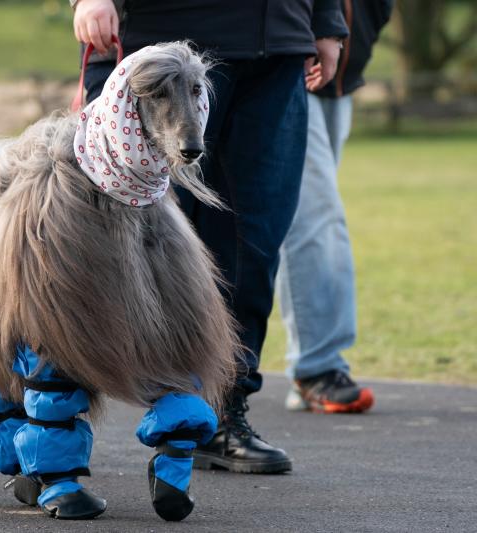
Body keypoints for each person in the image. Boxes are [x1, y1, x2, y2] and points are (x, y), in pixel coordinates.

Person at [72, 0, 347, 473]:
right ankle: (52, 419)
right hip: (157, 46)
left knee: (253, 242)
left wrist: (325, 21)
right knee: (111, 244)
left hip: (276, 45)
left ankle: (220, 414)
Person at [278, 0, 392, 414]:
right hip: (287, 60)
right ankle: (317, 366)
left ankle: (307, 365)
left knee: (297, 219)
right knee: (316, 216)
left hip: (341, 74)